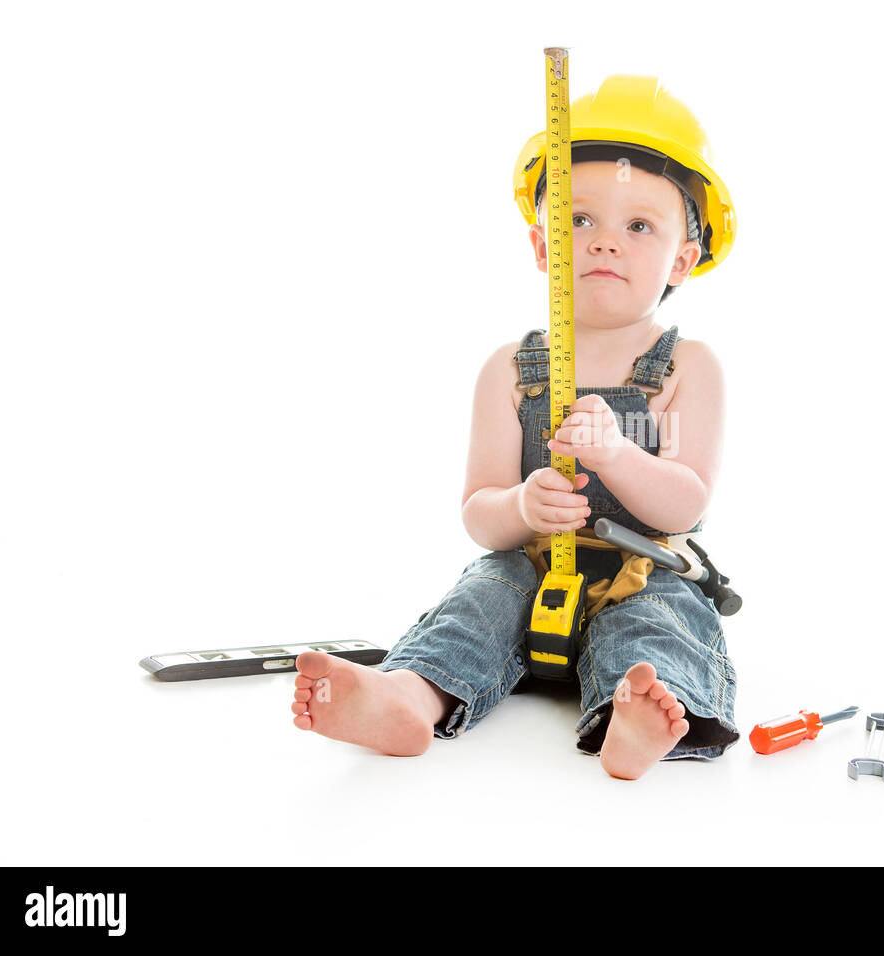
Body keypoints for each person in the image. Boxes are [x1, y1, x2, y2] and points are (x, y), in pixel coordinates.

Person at [289, 74, 739, 780]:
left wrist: (617, 455)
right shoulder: (509, 369)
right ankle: (410, 698)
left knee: (655, 623)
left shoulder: (688, 366)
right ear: (542, 245)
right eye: (579, 220)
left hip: (640, 568)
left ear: (684, 258)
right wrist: (523, 506)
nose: (605, 243)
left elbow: (687, 502)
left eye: (640, 226)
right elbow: (480, 512)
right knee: (481, 597)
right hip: (534, 567)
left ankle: (635, 717)